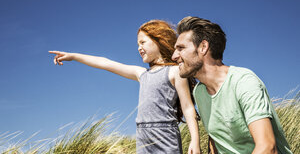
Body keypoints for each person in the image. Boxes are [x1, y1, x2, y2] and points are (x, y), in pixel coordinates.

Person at [49, 20, 201, 154]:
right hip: (143, 135)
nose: (139, 48)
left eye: (143, 42)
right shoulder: (141, 74)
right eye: (137, 44)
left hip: (166, 134)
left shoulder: (174, 71)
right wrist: (74, 56)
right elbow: (106, 63)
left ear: (158, 40)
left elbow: (188, 108)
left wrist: (195, 140)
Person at [172, 16, 293, 154]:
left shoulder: (244, 82)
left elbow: (267, 147)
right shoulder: (199, 93)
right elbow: (217, 140)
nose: (174, 56)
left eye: (180, 48)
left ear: (203, 47)